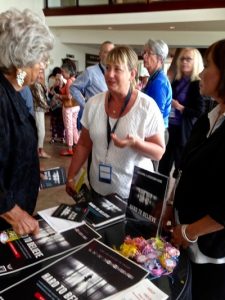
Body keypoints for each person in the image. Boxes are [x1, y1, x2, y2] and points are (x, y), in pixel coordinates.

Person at [163, 39, 225, 300]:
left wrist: (190, 231)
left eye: (208, 65)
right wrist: (169, 204)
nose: (201, 72)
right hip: (185, 238)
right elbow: (184, 168)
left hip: (211, 252)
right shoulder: (208, 119)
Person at [66, 45, 165, 200]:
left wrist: (136, 143)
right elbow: (84, 144)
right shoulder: (93, 103)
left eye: (117, 69)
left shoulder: (146, 106)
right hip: (97, 188)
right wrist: (71, 176)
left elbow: (159, 152)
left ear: (132, 74)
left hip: (131, 194)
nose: (110, 74)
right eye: (107, 68)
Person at [0, 8, 54, 235]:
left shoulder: (17, 87)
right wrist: (15, 213)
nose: (43, 65)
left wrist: (29, 169)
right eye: (40, 59)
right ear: (22, 59)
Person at [158, 47, 205, 178]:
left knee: (180, 168)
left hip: (184, 132)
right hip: (170, 128)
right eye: (182, 59)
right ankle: (161, 196)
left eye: (188, 59)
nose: (184, 62)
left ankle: (174, 196)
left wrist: (180, 108)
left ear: (195, 62)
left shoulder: (198, 84)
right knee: (163, 166)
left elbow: (200, 112)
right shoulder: (176, 81)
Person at [70, 41, 115, 130]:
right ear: (100, 54)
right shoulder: (90, 72)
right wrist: (85, 105)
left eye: (112, 52)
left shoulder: (116, 72)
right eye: (106, 52)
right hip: (95, 117)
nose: (109, 55)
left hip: (113, 116)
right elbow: (73, 87)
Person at [142, 39, 172, 144]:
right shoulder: (154, 78)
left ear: (159, 58)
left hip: (155, 133)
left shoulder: (159, 82)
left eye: (149, 53)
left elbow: (156, 114)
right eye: (144, 53)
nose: (144, 56)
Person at [59, 58, 80, 156]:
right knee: (74, 126)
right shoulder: (75, 80)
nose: (62, 74)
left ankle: (70, 148)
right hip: (76, 106)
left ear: (68, 72)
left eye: (63, 72)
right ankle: (77, 145)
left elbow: (68, 96)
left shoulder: (69, 82)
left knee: (68, 127)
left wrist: (59, 96)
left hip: (69, 107)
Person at [31, 65, 51, 159]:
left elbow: (45, 96)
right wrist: (49, 107)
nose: (40, 74)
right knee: (40, 131)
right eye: (38, 72)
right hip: (38, 109)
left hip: (40, 109)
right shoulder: (36, 84)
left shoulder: (40, 84)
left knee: (40, 131)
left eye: (41, 72)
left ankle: (39, 150)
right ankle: (39, 151)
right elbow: (40, 99)